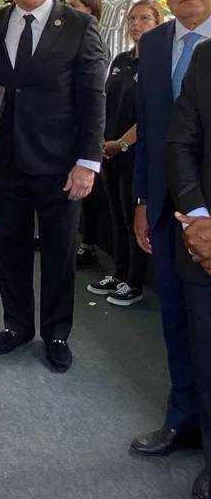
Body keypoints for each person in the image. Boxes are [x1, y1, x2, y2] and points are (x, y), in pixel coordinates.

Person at [0, 0, 106, 372]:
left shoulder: (78, 25)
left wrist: (88, 162)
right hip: (5, 165)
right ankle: (17, 325)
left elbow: (93, 96)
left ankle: (56, 332)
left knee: (58, 254)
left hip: (61, 167)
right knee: (9, 250)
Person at [131, 0, 211, 458]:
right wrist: (142, 198)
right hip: (164, 209)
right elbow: (150, 129)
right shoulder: (155, 43)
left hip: (208, 217)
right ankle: (181, 419)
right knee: (176, 323)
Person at [87, 0, 163, 306]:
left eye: (145, 18)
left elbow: (151, 117)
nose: (137, 24)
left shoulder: (157, 65)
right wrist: (104, 144)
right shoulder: (120, 60)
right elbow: (105, 101)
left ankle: (134, 283)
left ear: (159, 23)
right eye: (133, 18)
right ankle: (119, 275)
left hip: (135, 155)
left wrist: (121, 144)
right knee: (116, 216)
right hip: (110, 153)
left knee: (136, 219)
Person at [166, 33, 211, 499]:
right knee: (204, 353)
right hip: (202, 238)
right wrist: (199, 219)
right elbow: (180, 142)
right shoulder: (205, 57)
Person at [66, 0, 105, 268]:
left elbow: (93, 97)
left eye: (75, 6)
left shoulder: (89, 35)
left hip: (79, 148)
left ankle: (88, 245)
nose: (69, 10)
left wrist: (89, 159)